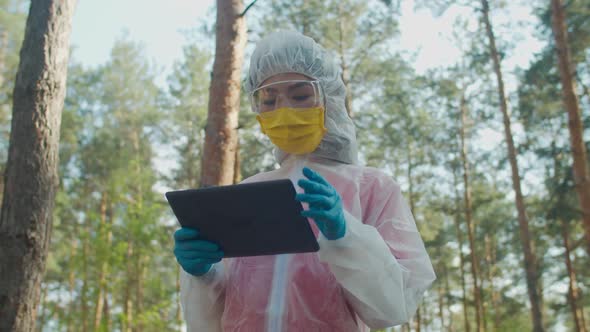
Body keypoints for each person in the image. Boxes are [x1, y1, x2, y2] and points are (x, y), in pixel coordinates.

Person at [173, 30, 436, 331]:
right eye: (268, 100)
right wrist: (203, 273)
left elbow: (393, 307)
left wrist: (346, 235)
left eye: (300, 95)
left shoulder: (372, 188)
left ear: (329, 98)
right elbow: (211, 320)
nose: (283, 110)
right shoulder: (247, 191)